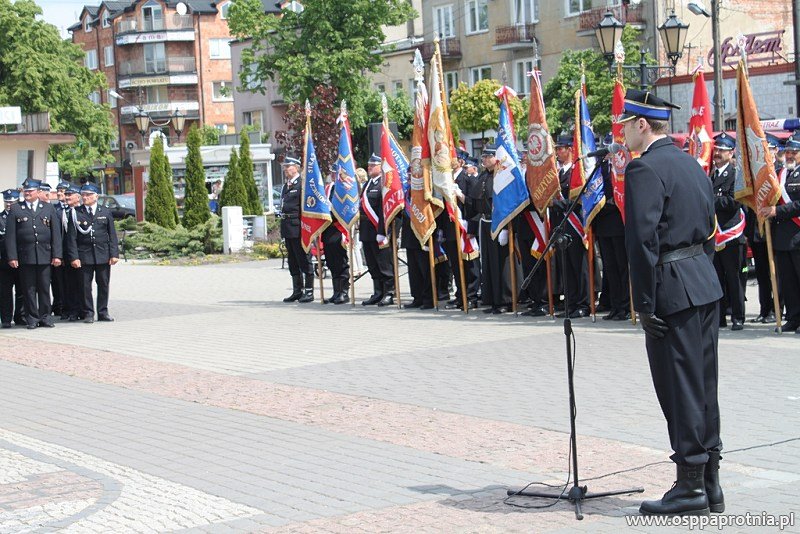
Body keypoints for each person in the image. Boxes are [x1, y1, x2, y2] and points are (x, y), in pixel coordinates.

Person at [621, 89, 724, 516]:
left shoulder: (644, 168)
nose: (623, 131)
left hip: (671, 287)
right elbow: (708, 225)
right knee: (704, 386)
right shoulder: (689, 162)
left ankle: (690, 487)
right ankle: (711, 482)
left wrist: (643, 302)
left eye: (626, 123)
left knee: (678, 388)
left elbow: (641, 241)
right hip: (703, 281)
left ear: (643, 125)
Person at [4, 179, 63, 329]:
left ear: (38, 192)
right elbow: (10, 236)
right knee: (28, 289)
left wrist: (57, 255)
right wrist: (12, 256)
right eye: (26, 191)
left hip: (45, 254)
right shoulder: (16, 209)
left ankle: (46, 317)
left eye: (31, 191)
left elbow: (56, 233)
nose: (28, 193)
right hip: (25, 256)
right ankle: (32, 318)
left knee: (44, 287)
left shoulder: (48, 208)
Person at [759, 135, 800, 333]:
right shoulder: (779, 173)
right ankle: (793, 318)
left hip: (798, 234)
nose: (790, 155)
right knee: (788, 282)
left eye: (795, 152)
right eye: (788, 151)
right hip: (782, 237)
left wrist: (777, 211)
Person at [65, 183, 119, 323]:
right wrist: (74, 257)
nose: (85, 197)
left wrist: (114, 254)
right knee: (85, 286)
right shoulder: (76, 212)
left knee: (103, 284)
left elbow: (112, 235)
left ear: (96, 196)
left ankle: (103, 312)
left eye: (88, 195)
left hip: (103, 254)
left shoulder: (105, 211)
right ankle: (88, 312)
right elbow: (71, 238)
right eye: (83, 195)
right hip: (84, 255)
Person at [709, 132, 746, 330]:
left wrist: (710, 202)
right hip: (714, 235)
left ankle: (738, 317)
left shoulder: (736, 175)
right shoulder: (710, 175)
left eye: (722, 150)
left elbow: (734, 201)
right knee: (716, 279)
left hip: (731, 235)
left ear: (732, 154)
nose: (718, 153)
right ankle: (720, 317)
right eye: (716, 150)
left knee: (734, 278)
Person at [550, 134, 589, 318]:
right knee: (565, 266)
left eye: (561, 148)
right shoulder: (558, 172)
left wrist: (556, 205)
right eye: (557, 149)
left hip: (574, 224)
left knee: (578, 265)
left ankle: (583, 303)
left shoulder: (576, 170)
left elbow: (579, 198)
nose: (558, 152)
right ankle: (571, 302)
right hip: (560, 224)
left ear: (570, 149)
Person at [468, 147, 512, 314]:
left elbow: (507, 202)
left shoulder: (502, 176)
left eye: (488, 156)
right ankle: (493, 299)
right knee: (488, 263)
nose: (484, 159)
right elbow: (476, 200)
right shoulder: (483, 176)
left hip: (499, 222)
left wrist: (506, 228)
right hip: (485, 221)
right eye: (484, 156)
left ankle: (505, 300)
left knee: (501, 263)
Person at [744, 133, 782, 324]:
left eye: (770, 149)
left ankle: (779, 309)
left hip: (775, 232)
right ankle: (764, 309)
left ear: (775, 151)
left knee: (777, 273)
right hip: (758, 232)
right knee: (761, 274)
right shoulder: (756, 175)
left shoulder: (780, 174)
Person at [593, 136, 630, 321]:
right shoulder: (599, 168)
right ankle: (615, 306)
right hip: (602, 224)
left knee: (622, 267)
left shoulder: (622, 168)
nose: (606, 152)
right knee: (610, 268)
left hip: (617, 223)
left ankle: (625, 306)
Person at [444, 151, 480, 310]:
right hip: (451, 228)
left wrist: (459, 194)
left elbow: (473, 205)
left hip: (465, 227)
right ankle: (460, 294)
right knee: (455, 264)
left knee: (469, 264)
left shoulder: (468, 179)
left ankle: (471, 296)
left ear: (459, 161)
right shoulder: (445, 181)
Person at [358, 154, 395, 306]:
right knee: (372, 264)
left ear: (381, 167)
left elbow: (384, 210)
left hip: (378, 230)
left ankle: (389, 293)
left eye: (373, 165)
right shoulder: (367, 184)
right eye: (369, 165)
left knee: (384, 263)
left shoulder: (384, 184)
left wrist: (383, 231)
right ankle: (378, 292)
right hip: (366, 230)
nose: (369, 167)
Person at [279, 156, 314, 303]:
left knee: (304, 259)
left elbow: (306, 207)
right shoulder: (286, 186)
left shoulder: (302, 184)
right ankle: (297, 290)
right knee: (292, 260)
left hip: (299, 227)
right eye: (285, 167)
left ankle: (309, 291)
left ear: (297, 167)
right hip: (287, 226)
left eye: (289, 166)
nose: (286, 169)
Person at [62, 183, 84, 321]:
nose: (67, 197)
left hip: (81, 253)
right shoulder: (62, 212)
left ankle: (83, 309)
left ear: (78, 197)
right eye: (66, 194)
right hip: (66, 253)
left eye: (70, 195)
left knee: (82, 284)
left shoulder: (82, 212)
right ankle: (72, 310)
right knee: (69, 285)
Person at [0, 189, 21, 328]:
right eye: (7, 201)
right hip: (3, 261)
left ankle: (20, 317)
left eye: (12, 202)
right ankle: (6, 319)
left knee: (22, 290)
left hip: (20, 259)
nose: (9, 204)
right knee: (5, 292)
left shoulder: (22, 216)